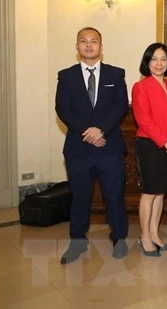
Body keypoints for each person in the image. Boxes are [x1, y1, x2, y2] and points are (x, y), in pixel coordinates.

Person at [55, 27, 129, 264]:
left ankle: (119, 238)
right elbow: (62, 108)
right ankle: (77, 242)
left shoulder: (116, 74)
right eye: (83, 41)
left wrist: (101, 130)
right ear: (77, 46)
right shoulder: (66, 76)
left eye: (94, 41)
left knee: (114, 195)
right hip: (79, 149)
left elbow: (120, 106)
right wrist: (87, 131)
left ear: (101, 46)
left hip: (109, 147)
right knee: (79, 197)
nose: (89, 45)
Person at [131, 43, 167, 257]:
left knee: (160, 192)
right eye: (154, 59)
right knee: (149, 193)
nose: (159, 63)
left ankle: (155, 234)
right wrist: (166, 142)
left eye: (163, 59)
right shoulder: (140, 87)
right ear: (147, 62)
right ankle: (144, 237)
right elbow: (144, 120)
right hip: (150, 146)